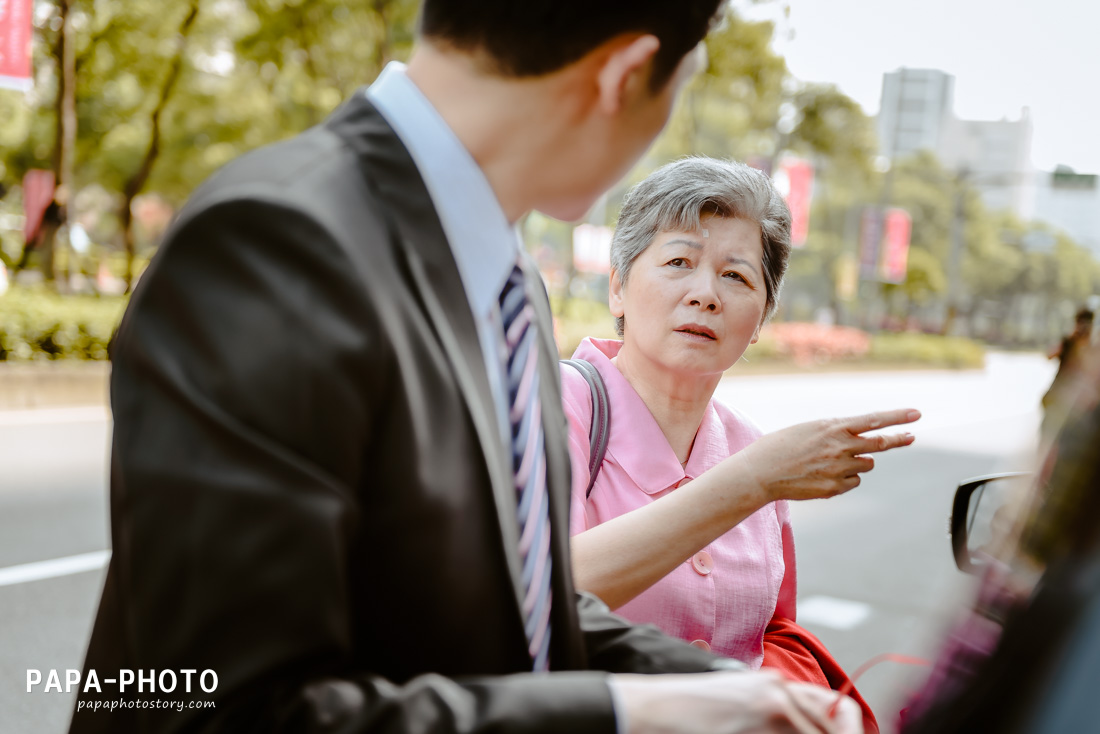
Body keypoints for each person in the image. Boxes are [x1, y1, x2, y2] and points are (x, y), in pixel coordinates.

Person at [69, 3, 865, 733]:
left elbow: (504, 613)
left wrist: (729, 691)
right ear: (623, 77)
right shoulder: (278, 245)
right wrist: (625, 710)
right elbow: (217, 706)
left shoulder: (499, 275)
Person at [562, 157, 921, 731]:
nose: (705, 294)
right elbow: (529, 594)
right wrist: (751, 480)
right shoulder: (554, 406)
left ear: (760, 320)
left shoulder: (751, 447)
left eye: (736, 276)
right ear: (618, 287)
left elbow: (773, 637)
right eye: (678, 261)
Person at [1041, 307, 1095, 442]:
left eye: (1085, 324)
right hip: (1058, 394)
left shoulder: (1092, 347)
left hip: (1080, 402)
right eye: (1079, 323)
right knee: (1048, 433)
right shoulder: (1068, 342)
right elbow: (1049, 355)